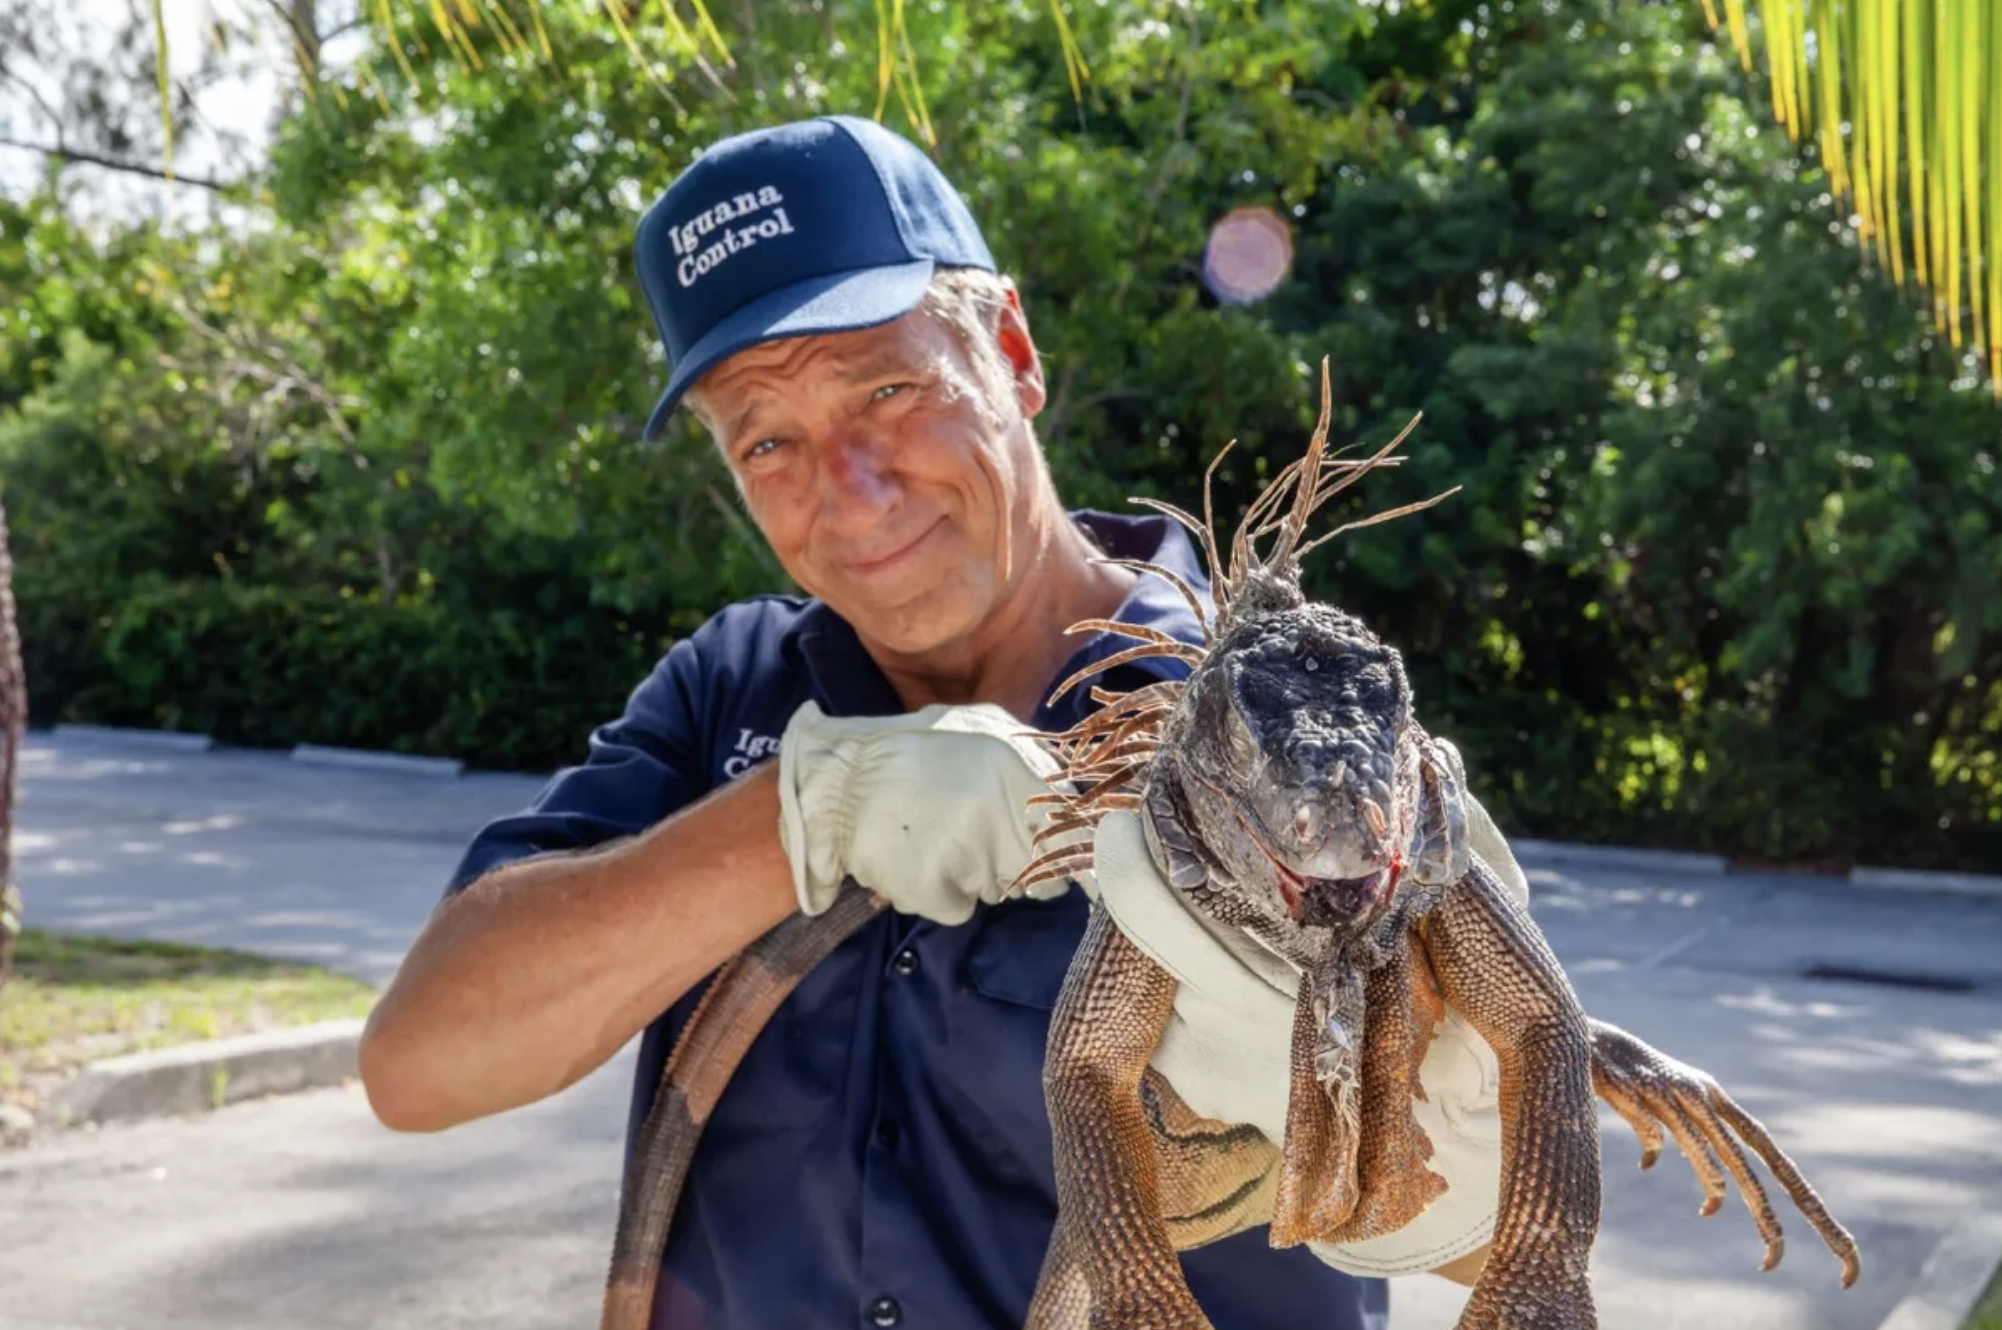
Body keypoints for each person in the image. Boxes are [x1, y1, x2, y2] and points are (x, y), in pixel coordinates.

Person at [358, 114, 1523, 1329]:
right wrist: (800, 814)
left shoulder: (1272, 711)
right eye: (768, 441)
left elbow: (1482, 1224)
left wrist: (1455, 1146)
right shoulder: (730, 691)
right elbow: (421, 1065)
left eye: (889, 389)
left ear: (1011, 350)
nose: (851, 493)